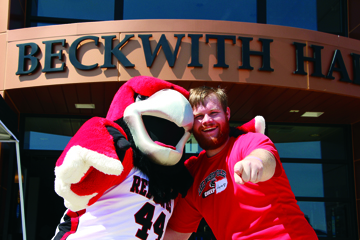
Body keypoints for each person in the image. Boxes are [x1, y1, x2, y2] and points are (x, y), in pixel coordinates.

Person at [164, 86, 318, 240]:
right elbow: (177, 234)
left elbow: (266, 158)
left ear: (227, 113)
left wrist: (255, 162)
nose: (207, 120)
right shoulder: (194, 174)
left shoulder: (250, 141)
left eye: (214, 113)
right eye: (199, 116)